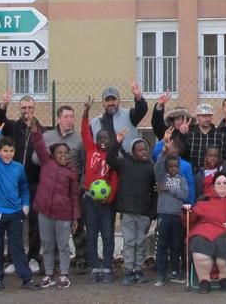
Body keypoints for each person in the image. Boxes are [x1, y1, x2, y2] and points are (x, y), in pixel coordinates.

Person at [0, 125, 37, 290]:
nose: (8, 154)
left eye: (11, 151)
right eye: (5, 151)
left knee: (17, 247)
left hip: (15, 213)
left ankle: (26, 279)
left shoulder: (18, 168)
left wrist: (25, 204)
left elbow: (24, 188)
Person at [0, 94, 42, 272]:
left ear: (34, 109)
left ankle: (34, 257)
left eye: (30, 108)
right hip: (13, 185)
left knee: (35, 223)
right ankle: (15, 258)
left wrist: (34, 130)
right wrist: (3, 105)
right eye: (23, 108)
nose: (27, 111)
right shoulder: (13, 127)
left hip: (34, 182)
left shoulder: (40, 130)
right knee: (14, 223)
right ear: (20, 109)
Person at [29, 125, 81, 288]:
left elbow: (74, 196)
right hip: (44, 211)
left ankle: (64, 274)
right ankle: (49, 274)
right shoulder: (46, 163)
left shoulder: (71, 172)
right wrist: (35, 131)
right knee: (48, 244)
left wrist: (75, 217)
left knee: (63, 244)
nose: (63, 155)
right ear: (53, 154)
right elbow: (39, 145)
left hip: (63, 214)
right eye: (60, 153)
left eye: (66, 153)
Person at [79, 97, 118, 282]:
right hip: (90, 200)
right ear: (95, 139)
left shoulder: (112, 157)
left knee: (108, 236)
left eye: (106, 139)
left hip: (106, 203)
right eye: (100, 138)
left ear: (110, 141)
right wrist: (86, 112)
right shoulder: (90, 150)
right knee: (92, 235)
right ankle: (95, 268)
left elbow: (115, 181)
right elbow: (84, 130)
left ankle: (108, 269)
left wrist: (109, 199)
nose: (103, 141)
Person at [110, 134, 156, 284]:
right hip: (128, 211)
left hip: (143, 212)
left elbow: (154, 190)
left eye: (145, 149)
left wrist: (152, 211)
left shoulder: (151, 167)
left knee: (140, 242)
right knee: (129, 242)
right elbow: (109, 159)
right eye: (139, 150)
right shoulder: (124, 164)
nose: (143, 152)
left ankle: (138, 270)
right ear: (133, 151)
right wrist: (117, 143)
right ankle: (129, 271)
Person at [154, 148, 194, 285]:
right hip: (163, 215)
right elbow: (157, 166)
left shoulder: (181, 180)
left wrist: (169, 188)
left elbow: (184, 195)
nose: (173, 169)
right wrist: (163, 153)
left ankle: (175, 272)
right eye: (170, 166)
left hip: (177, 215)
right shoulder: (161, 178)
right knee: (161, 245)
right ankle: (160, 274)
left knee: (176, 245)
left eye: (176, 166)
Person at [91, 80, 149, 155]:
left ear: (119, 100)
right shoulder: (95, 122)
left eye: (113, 99)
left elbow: (142, 109)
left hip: (127, 163)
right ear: (103, 102)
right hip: (104, 164)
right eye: (107, 100)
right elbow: (89, 145)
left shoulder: (129, 115)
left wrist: (138, 97)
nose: (111, 103)